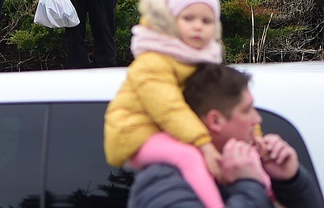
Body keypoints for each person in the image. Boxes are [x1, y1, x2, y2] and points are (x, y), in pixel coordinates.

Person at [104, 0, 227, 208]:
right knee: (188, 156)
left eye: (206, 20)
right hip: (132, 133)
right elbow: (169, 108)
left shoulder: (199, 60)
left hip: (168, 131)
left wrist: (254, 138)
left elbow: (228, 104)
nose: (198, 27)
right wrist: (204, 144)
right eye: (188, 18)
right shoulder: (153, 61)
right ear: (171, 21)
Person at [129, 63, 324, 207]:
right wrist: (248, 184)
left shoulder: (252, 166)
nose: (257, 119)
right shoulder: (162, 183)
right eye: (247, 110)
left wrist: (291, 180)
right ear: (215, 121)